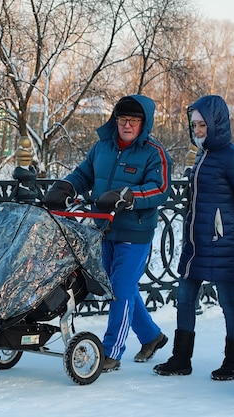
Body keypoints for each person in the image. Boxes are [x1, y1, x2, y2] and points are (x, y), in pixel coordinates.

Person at [43, 94, 172, 372]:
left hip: (135, 231)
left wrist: (129, 195)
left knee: (121, 288)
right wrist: (66, 187)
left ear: (143, 123)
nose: (126, 125)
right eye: (122, 120)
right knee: (118, 287)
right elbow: (83, 174)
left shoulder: (153, 153)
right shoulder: (102, 147)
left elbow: (160, 189)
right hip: (104, 228)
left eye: (133, 121)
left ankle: (111, 351)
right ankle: (152, 336)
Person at [153, 95, 234, 380]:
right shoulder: (202, 155)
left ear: (217, 124)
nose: (198, 130)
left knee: (228, 300)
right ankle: (181, 358)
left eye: (203, 125)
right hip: (197, 241)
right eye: (194, 125)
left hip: (224, 242)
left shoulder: (233, 158)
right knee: (185, 296)